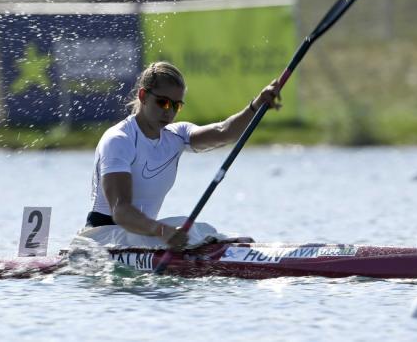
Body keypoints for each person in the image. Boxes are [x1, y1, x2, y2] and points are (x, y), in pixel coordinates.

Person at [86, 61, 281, 251]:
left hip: (143, 236)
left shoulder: (176, 135)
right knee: (189, 228)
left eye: (176, 105)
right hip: (102, 239)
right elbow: (121, 211)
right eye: (162, 102)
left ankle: (218, 247)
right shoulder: (119, 139)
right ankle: (215, 247)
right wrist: (161, 230)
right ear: (143, 96)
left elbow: (224, 132)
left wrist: (256, 105)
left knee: (193, 227)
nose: (168, 111)